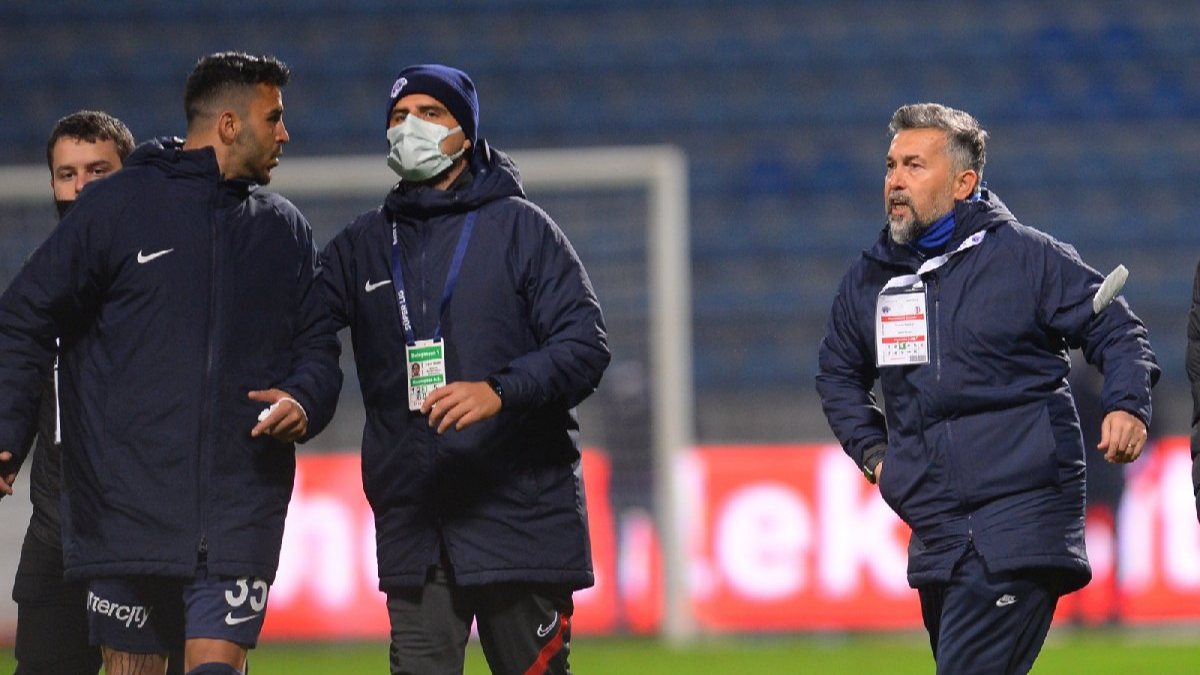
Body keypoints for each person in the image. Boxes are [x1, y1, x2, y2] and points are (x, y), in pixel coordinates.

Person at [0, 52, 341, 675]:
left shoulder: (284, 230)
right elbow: (24, 315)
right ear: (230, 125)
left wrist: (305, 397)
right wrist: (8, 429)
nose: (285, 133)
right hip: (126, 513)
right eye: (274, 118)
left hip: (239, 511)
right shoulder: (116, 207)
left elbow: (317, 345)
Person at [815, 102, 1158, 674]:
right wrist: (876, 455)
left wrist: (1126, 403)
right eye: (892, 165)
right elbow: (837, 375)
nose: (895, 180)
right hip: (937, 532)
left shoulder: (1025, 257)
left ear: (963, 183)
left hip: (1019, 523)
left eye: (915, 165)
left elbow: (1116, 328)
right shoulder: (871, 280)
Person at [320, 64, 609, 675]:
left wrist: (499, 391)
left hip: (520, 523)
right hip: (417, 528)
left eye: (430, 114)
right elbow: (300, 329)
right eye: (399, 117)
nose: (410, 127)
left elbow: (585, 345)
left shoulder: (523, 229)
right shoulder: (361, 246)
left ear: (466, 133)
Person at [4, 110, 134, 675]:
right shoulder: (40, 280)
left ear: (129, 176)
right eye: (67, 174)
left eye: (98, 171)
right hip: (56, 531)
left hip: (144, 531)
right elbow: (18, 368)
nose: (82, 187)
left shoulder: (163, 274)